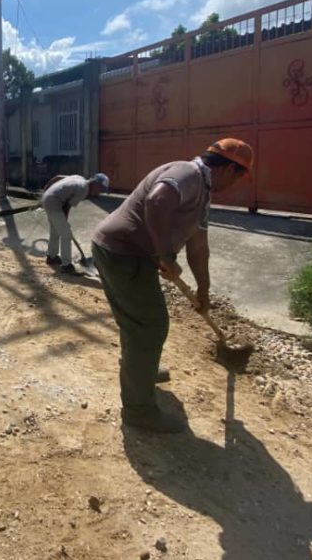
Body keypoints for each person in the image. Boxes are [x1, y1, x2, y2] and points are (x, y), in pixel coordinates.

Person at [91, 139, 254, 433]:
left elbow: (198, 248)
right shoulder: (187, 173)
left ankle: (141, 371)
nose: (238, 184)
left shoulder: (203, 194)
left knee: (139, 323)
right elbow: (156, 201)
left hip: (130, 253)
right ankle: (139, 411)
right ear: (229, 168)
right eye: (240, 176)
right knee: (148, 325)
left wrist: (203, 289)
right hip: (122, 253)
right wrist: (164, 253)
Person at [43, 172, 110, 275]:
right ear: (95, 184)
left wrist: (47, 188)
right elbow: (67, 206)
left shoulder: (79, 178)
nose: (99, 192)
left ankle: (51, 257)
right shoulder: (83, 190)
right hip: (54, 203)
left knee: (55, 231)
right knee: (66, 234)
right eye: (100, 189)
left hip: (48, 197)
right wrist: (64, 221)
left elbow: (57, 177)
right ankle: (66, 265)